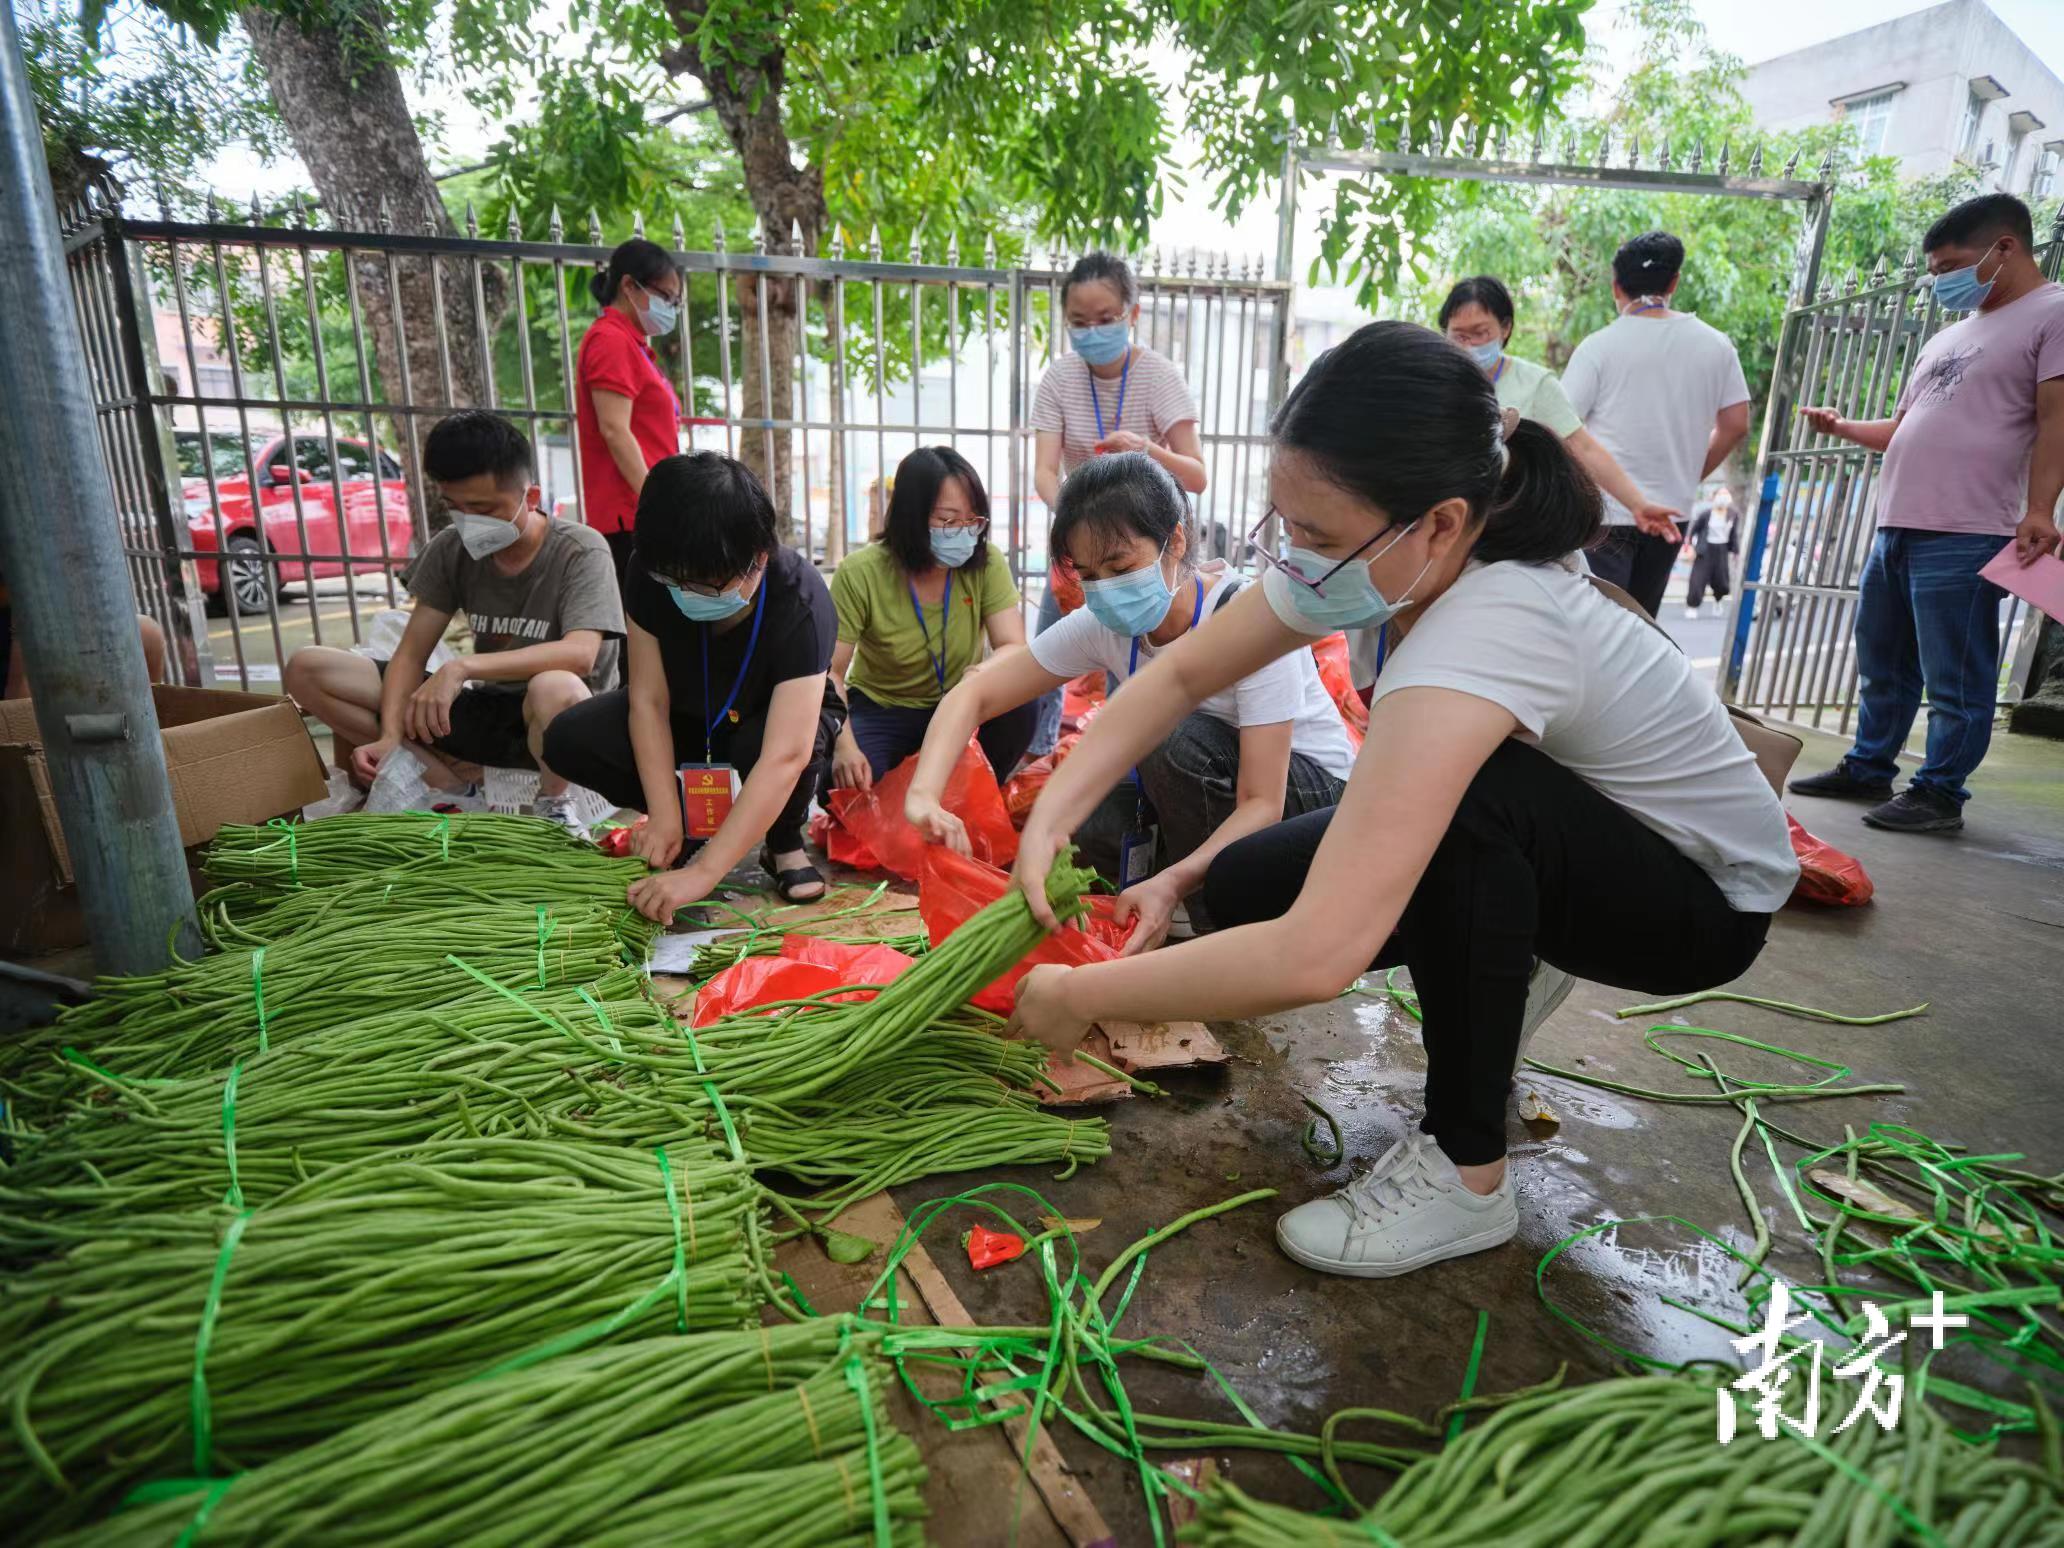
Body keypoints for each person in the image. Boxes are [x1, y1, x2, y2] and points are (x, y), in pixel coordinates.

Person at [1001, 322, 1796, 1279]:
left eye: (1317, 537)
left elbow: (1320, 957)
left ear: (1443, 522)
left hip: (1698, 903)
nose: (1295, 560)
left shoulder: (1494, 618)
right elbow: (1173, 683)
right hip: (1584, 830)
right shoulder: (1374, 559)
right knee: (1250, 882)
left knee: (1469, 809)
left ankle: (1467, 1174)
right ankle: (1512, 946)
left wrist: (1078, 996)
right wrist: (1053, 818)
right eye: (1285, 527)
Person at [905, 451, 1355, 945]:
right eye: (1090, 575)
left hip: (1313, 799)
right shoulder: (1105, 625)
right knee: (1093, 801)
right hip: (1210, 781)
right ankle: (1156, 903)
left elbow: (1262, 803)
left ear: (1175, 541)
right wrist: (924, 795)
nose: (1107, 589)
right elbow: (977, 693)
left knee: (1171, 740)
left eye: (1121, 565)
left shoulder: (1247, 619)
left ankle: (1220, 927)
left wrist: (1173, 882)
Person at [1789, 193, 2064, 834]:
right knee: (1882, 659)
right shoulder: (1950, 335)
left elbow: (2057, 420)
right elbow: (1906, 427)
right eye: (1935, 269)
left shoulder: (2053, 313)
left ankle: (1939, 794)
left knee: (1955, 674)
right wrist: (1842, 426)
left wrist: (2042, 508)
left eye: (1952, 264)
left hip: (1969, 529)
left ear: (2006, 247)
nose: (1941, 280)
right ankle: (1868, 767)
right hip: (1898, 522)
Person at [283, 411, 622, 830]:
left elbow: (580, 655)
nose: (469, 521)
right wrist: (390, 734)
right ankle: (452, 791)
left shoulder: (581, 549)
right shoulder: (452, 548)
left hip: (566, 725)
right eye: (455, 507)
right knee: (308, 668)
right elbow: (410, 654)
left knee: (554, 684)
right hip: (491, 713)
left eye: (482, 507)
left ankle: (555, 807)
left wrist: (459, 668)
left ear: (530, 497)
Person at [543, 452, 844, 912]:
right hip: (692, 716)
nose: (685, 593)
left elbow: (788, 753)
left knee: (764, 747)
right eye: (674, 579)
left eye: (707, 585)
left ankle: (783, 841)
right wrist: (663, 814)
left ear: (758, 560)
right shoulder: (652, 573)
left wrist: (705, 876)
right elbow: (648, 701)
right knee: (570, 737)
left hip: (773, 727)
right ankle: (678, 829)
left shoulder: (801, 602)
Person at [1031, 253, 1210, 758]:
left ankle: (1126, 763)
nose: (1092, 332)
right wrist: (1076, 525)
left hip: (1138, 547)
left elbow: (1195, 474)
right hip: (1084, 547)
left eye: (1106, 319)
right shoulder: (1060, 378)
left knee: (1136, 655)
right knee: (1048, 653)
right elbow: (1045, 470)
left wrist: (1146, 450)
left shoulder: (1158, 376)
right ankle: (1037, 759)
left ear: (1132, 314)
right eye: (1079, 322)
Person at [1562, 232, 1751, 617]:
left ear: (1616, 286)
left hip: (1604, 514)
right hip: (1671, 510)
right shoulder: (1716, 346)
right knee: (1641, 625)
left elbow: (1561, 426)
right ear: (1674, 282)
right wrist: (1687, 475)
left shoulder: (1599, 346)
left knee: (1599, 625)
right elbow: (1736, 424)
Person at [827, 447, 1034, 791]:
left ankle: (978, 792)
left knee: (1024, 702)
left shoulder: (986, 561)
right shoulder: (860, 572)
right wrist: (845, 748)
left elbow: (1013, 645)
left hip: (961, 701)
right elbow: (831, 671)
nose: (964, 532)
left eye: (973, 520)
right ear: (911, 515)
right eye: (948, 520)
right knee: (842, 782)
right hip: (884, 706)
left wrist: (979, 676)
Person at [1438, 275, 1680, 537]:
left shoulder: (1535, 384)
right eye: (1459, 336)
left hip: (1508, 531)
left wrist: (1638, 504)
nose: (1469, 345)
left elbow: (1583, 447)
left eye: (1480, 333)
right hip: (1448, 526)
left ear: (1505, 328)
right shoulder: (1435, 383)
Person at [576, 238, 685, 591]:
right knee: (641, 628)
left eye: (674, 301)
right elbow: (614, 430)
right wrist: (655, 504)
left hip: (641, 511)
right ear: (628, 285)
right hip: (629, 515)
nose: (670, 307)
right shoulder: (611, 341)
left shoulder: (631, 345)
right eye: (665, 297)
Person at [1682, 486, 1738, 620]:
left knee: (1722, 582)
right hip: (1705, 549)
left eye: (1726, 494)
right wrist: (1688, 544)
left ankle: (1718, 600)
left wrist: (1736, 551)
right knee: (1697, 579)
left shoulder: (1733, 514)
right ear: (1714, 497)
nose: (1723, 497)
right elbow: (1693, 529)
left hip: (1722, 550)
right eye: (1720, 494)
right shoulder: (1706, 514)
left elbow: (1734, 534)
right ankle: (1692, 606)